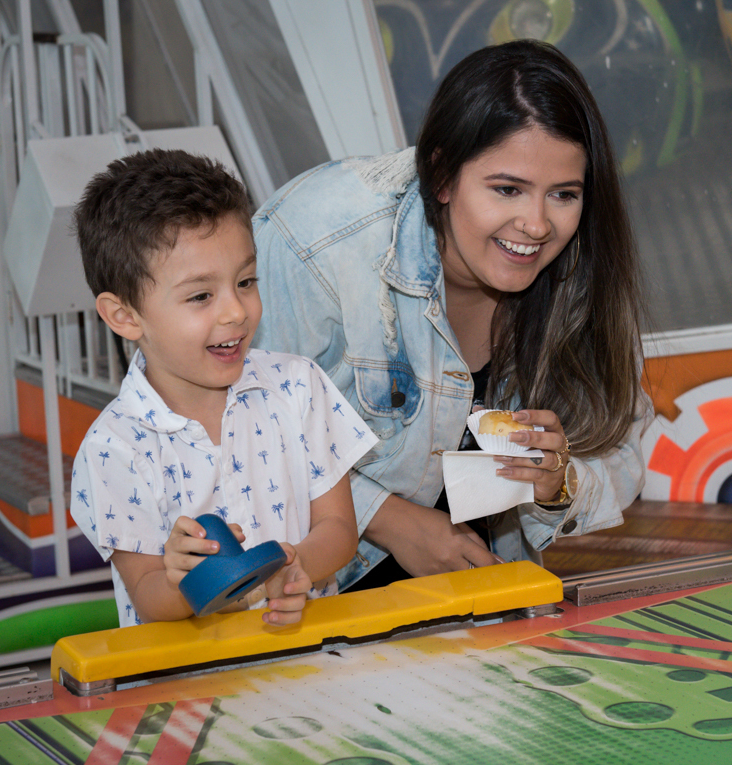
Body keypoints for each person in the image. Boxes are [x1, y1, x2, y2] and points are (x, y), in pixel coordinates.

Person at [252, 39, 649, 589]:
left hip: (482, 603)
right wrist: (390, 521)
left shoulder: (582, 266)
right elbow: (240, 434)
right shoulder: (315, 240)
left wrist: (557, 482)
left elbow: (621, 447)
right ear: (441, 176)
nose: (537, 224)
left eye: (563, 195)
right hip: (312, 601)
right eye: (507, 189)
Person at [69, 149, 379, 627]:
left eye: (246, 281)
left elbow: (338, 528)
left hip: (309, 654)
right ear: (124, 316)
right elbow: (149, 595)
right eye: (201, 295)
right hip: (192, 671)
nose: (236, 311)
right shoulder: (114, 447)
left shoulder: (298, 387)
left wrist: (293, 568)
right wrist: (185, 580)